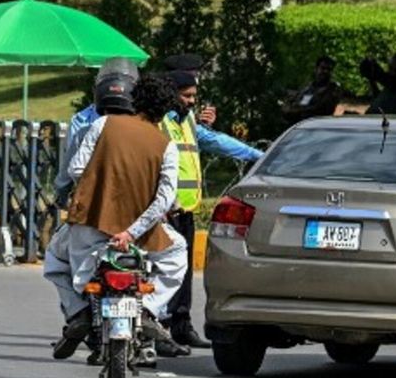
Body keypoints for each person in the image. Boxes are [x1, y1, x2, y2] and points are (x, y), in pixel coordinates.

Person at [44, 65, 188, 362]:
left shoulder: (103, 125)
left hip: (89, 226)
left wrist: (101, 192)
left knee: (55, 259)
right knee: (178, 253)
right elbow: (165, 199)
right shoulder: (166, 146)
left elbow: (75, 169)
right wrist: (131, 232)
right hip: (139, 237)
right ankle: (148, 310)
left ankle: (78, 312)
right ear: (164, 113)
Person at [160, 68, 263, 350]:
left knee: (182, 273)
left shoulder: (187, 120)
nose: (192, 101)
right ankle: (157, 329)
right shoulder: (159, 121)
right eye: (187, 95)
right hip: (163, 210)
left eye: (194, 95)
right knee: (162, 272)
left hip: (186, 208)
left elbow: (215, 142)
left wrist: (258, 156)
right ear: (171, 94)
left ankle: (180, 326)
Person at [54, 58, 137, 207]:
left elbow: (69, 171)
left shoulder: (85, 131)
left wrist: (62, 193)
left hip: (94, 207)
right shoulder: (145, 131)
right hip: (134, 208)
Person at [281, 55, 342, 125]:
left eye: (329, 69)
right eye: (323, 68)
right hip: (297, 126)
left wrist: (297, 111)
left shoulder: (332, 89)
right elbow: (294, 103)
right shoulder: (307, 88)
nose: (325, 71)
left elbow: (320, 109)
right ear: (316, 69)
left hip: (316, 126)